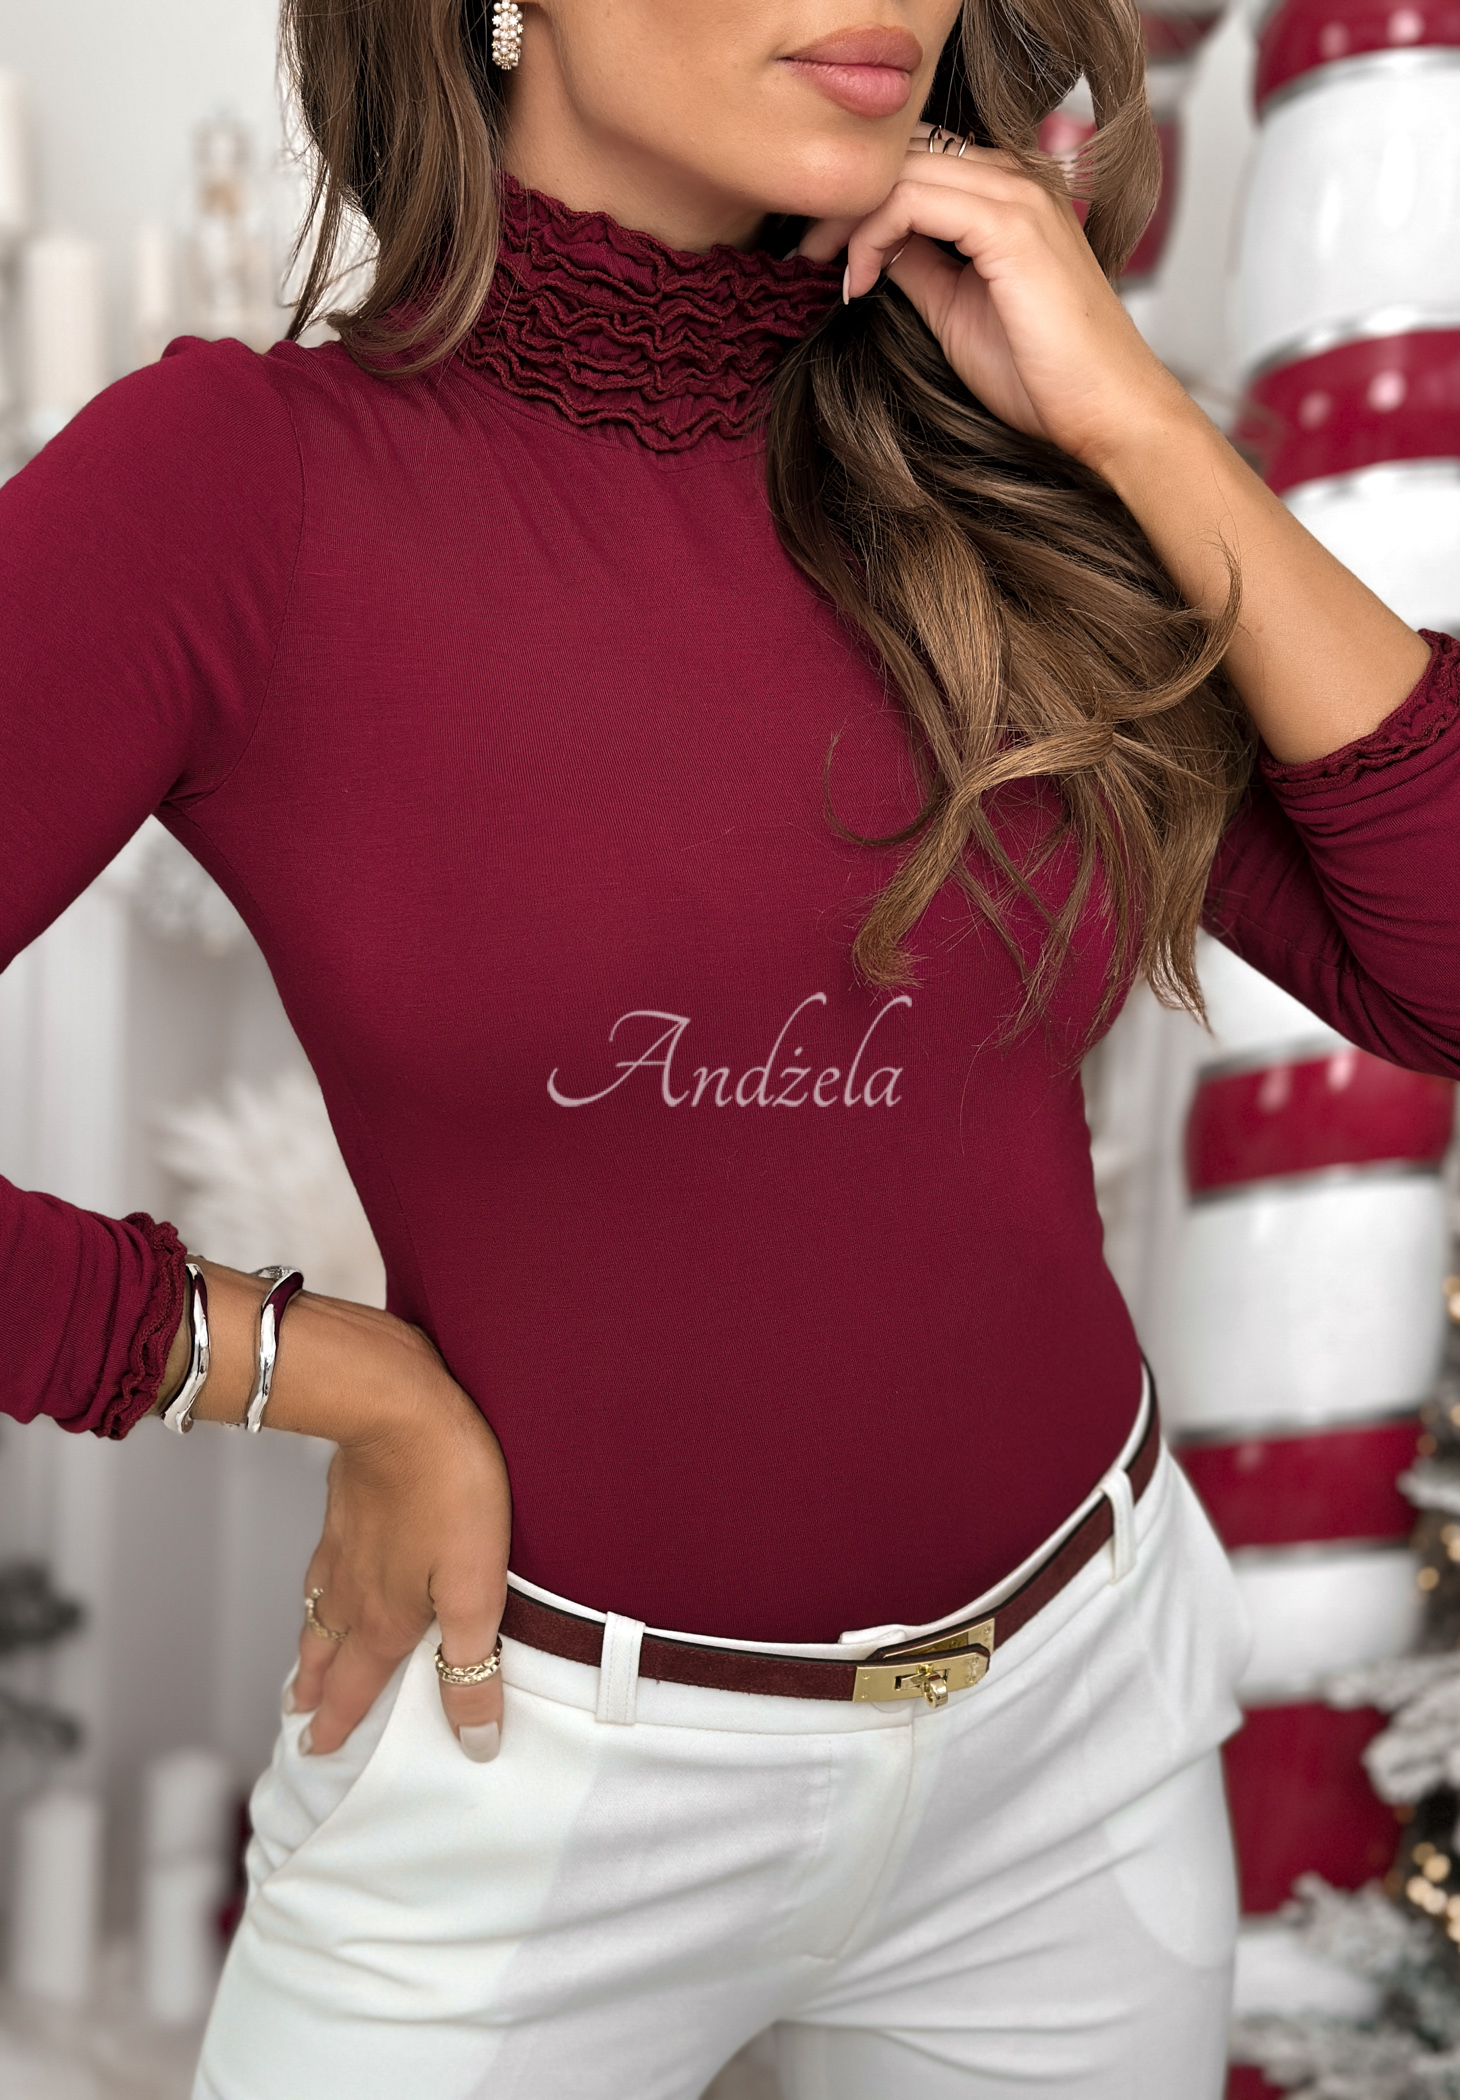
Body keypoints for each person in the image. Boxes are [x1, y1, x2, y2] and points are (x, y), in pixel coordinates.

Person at [3, 0, 1458, 2089]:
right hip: (532, 1767)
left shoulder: (977, 454)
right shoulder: (244, 490)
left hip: (1078, 1731)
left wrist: (1134, 421)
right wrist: (309, 1368)